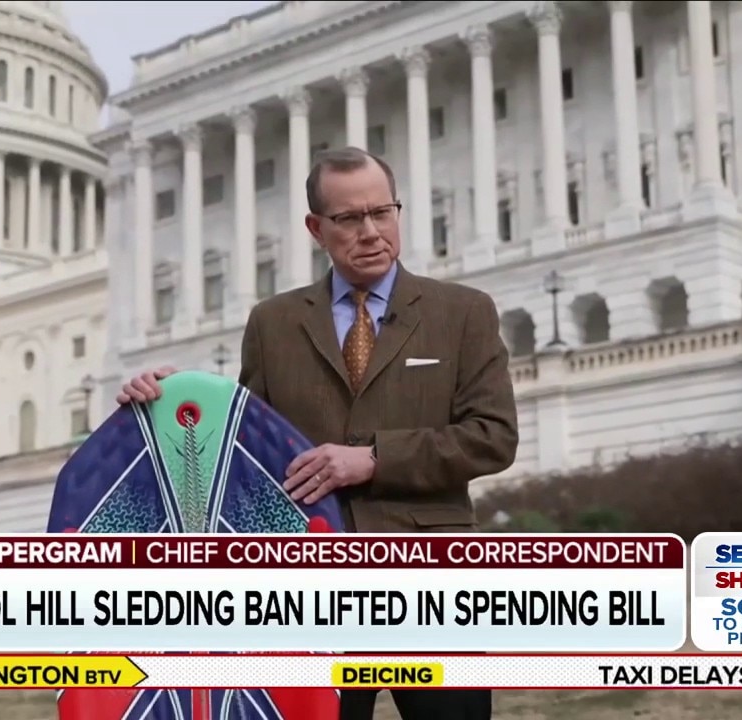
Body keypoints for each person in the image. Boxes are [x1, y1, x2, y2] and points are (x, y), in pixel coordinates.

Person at [116, 146, 518, 720]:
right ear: (316, 228)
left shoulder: (464, 312)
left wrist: (374, 460)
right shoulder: (273, 323)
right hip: (307, 590)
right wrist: (179, 398)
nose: (371, 232)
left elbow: (493, 436)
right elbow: (246, 445)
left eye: (383, 212)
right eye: (350, 219)